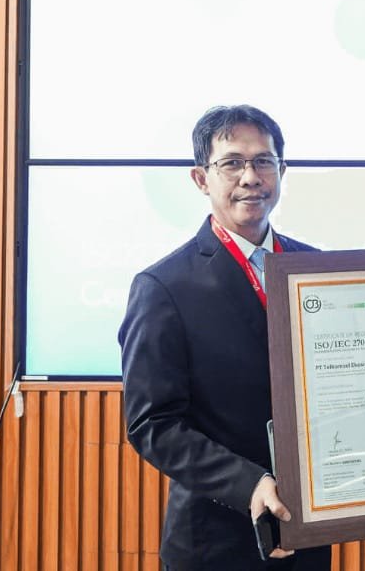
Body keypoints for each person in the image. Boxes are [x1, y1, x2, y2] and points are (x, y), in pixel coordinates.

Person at [118, 105, 330, 571]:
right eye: (232, 163)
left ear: (282, 171)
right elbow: (153, 424)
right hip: (216, 540)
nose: (250, 177)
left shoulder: (317, 268)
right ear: (201, 178)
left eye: (263, 161)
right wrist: (249, 483)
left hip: (309, 533)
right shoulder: (164, 287)